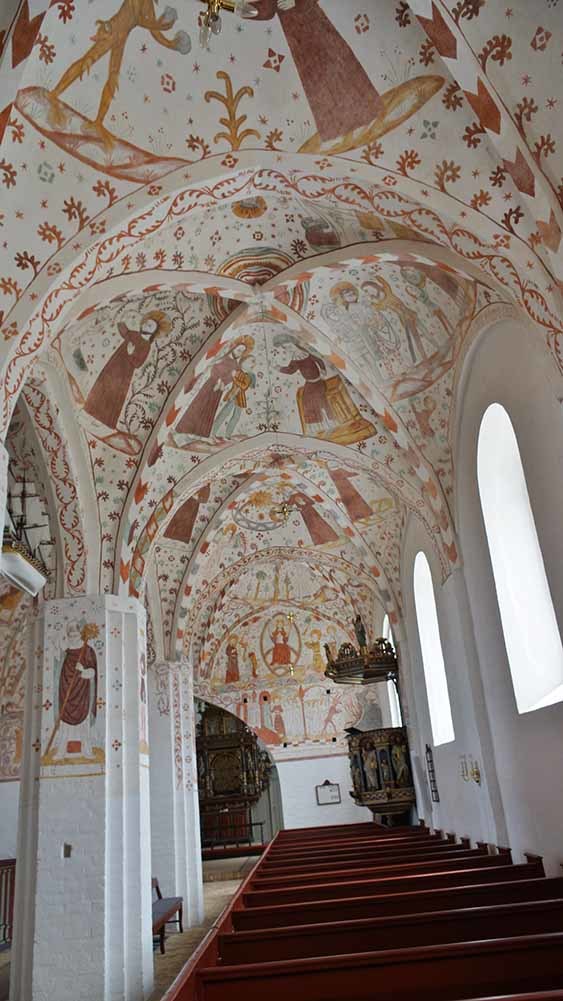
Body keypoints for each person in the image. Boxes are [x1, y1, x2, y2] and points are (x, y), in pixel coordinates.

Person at [84, 311, 170, 430]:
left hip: (124, 373)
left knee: (113, 393)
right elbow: (124, 331)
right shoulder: (134, 334)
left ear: (154, 332)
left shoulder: (146, 346)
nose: (145, 325)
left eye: (149, 326)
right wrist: (121, 318)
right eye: (146, 323)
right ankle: (91, 410)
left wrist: (130, 353)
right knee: (103, 385)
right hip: (113, 365)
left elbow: (138, 363)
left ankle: (103, 420)